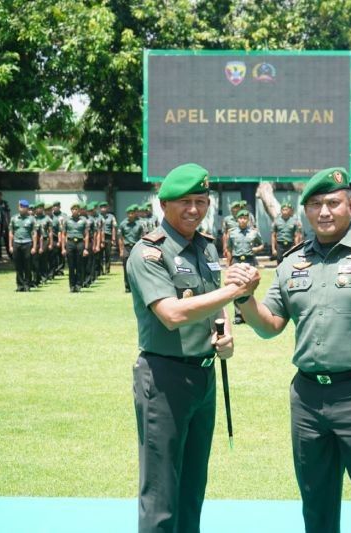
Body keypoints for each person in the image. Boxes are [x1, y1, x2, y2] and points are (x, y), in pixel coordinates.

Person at [228, 167, 351, 533]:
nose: (324, 212)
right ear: (305, 211)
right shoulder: (291, 262)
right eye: (315, 204)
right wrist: (244, 298)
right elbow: (270, 325)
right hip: (308, 399)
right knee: (316, 503)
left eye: (333, 203)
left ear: (350, 205)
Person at [127, 163, 245, 533]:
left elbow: (212, 303)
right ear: (164, 204)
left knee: (193, 489)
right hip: (164, 379)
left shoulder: (206, 247)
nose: (194, 209)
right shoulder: (149, 253)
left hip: (203, 377)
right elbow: (171, 314)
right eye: (185, 202)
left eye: (201, 200)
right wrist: (233, 291)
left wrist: (223, 333)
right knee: (161, 492)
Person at [226, 209, 264, 324]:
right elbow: (229, 249)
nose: (243, 220)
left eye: (245, 218)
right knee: (236, 288)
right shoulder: (232, 233)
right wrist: (228, 265)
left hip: (249, 261)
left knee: (249, 288)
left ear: (248, 219)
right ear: (237, 219)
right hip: (236, 260)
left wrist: (256, 249)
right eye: (240, 218)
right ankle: (238, 315)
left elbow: (261, 244)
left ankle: (248, 316)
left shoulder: (253, 232)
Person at [8, 199, 38, 292]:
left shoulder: (31, 219)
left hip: (27, 243)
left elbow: (34, 233)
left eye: (23, 207)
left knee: (27, 265)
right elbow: (11, 233)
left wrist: (34, 247)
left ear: (27, 208)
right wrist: (10, 246)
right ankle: (20, 285)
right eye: (20, 206)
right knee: (18, 266)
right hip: (17, 243)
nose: (21, 208)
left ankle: (27, 285)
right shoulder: (14, 218)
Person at [61, 202, 89, 292]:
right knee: (71, 266)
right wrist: (63, 248)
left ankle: (78, 285)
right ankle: (72, 286)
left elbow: (87, 235)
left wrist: (86, 248)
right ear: (71, 210)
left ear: (79, 210)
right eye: (73, 209)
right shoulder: (67, 220)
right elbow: (63, 234)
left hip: (80, 243)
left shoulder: (83, 221)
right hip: (70, 243)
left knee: (79, 265)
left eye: (76, 209)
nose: (74, 211)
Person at [119, 204, 144, 293]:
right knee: (126, 267)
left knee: (137, 267)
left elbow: (142, 237)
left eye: (132, 213)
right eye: (129, 213)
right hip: (126, 247)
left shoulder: (139, 225)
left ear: (134, 214)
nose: (130, 215)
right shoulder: (123, 224)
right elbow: (121, 238)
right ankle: (127, 286)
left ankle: (137, 286)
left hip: (136, 247)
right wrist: (121, 250)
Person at [99, 201, 117, 274]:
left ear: (107, 208)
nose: (103, 209)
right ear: (100, 208)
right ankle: (100, 270)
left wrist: (113, 238)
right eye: (102, 207)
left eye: (105, 207)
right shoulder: (98, 216)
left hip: (108, 237)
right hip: (99, 237)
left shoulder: (111, 216)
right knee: (99, 254)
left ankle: (107, 270)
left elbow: (113, 227)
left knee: (108, 254)